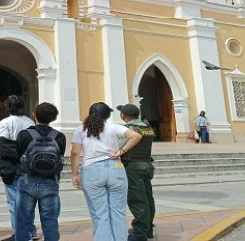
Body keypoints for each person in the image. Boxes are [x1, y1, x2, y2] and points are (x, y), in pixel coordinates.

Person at [71, 102, 142, 241]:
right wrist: (121, 152)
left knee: (99, 213)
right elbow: (137, 136)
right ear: (108, 115)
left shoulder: (80, 129)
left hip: (92, 170)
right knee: (118, 212)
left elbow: (75, 152)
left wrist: (74, 174)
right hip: (115, 168)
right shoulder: (113, 127)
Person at [15, 102, 66, 241]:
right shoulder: (59, 136)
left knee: (22, 221)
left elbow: (18, 154)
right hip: (51, 180)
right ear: (53, 117)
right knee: (50, 222)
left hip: (27, 179)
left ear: (34, 115)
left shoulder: (24, 134)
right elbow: (60, 155)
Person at [0, 95, 38, 241]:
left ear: (7, 107)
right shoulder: (30, 121)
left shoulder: (5, 122)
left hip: (12, 166)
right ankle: (31, 230)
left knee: (14, 201)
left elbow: (4, 145)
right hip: (29, 164)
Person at [117, 103, 156, 241]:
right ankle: (148, 228)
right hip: (146, 165)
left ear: (123, 115)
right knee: (147, 198)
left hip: (133, 167)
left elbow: (118, 146)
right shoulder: (148, 127)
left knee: (137, 200)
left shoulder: (128, 129)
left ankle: (139, 233)